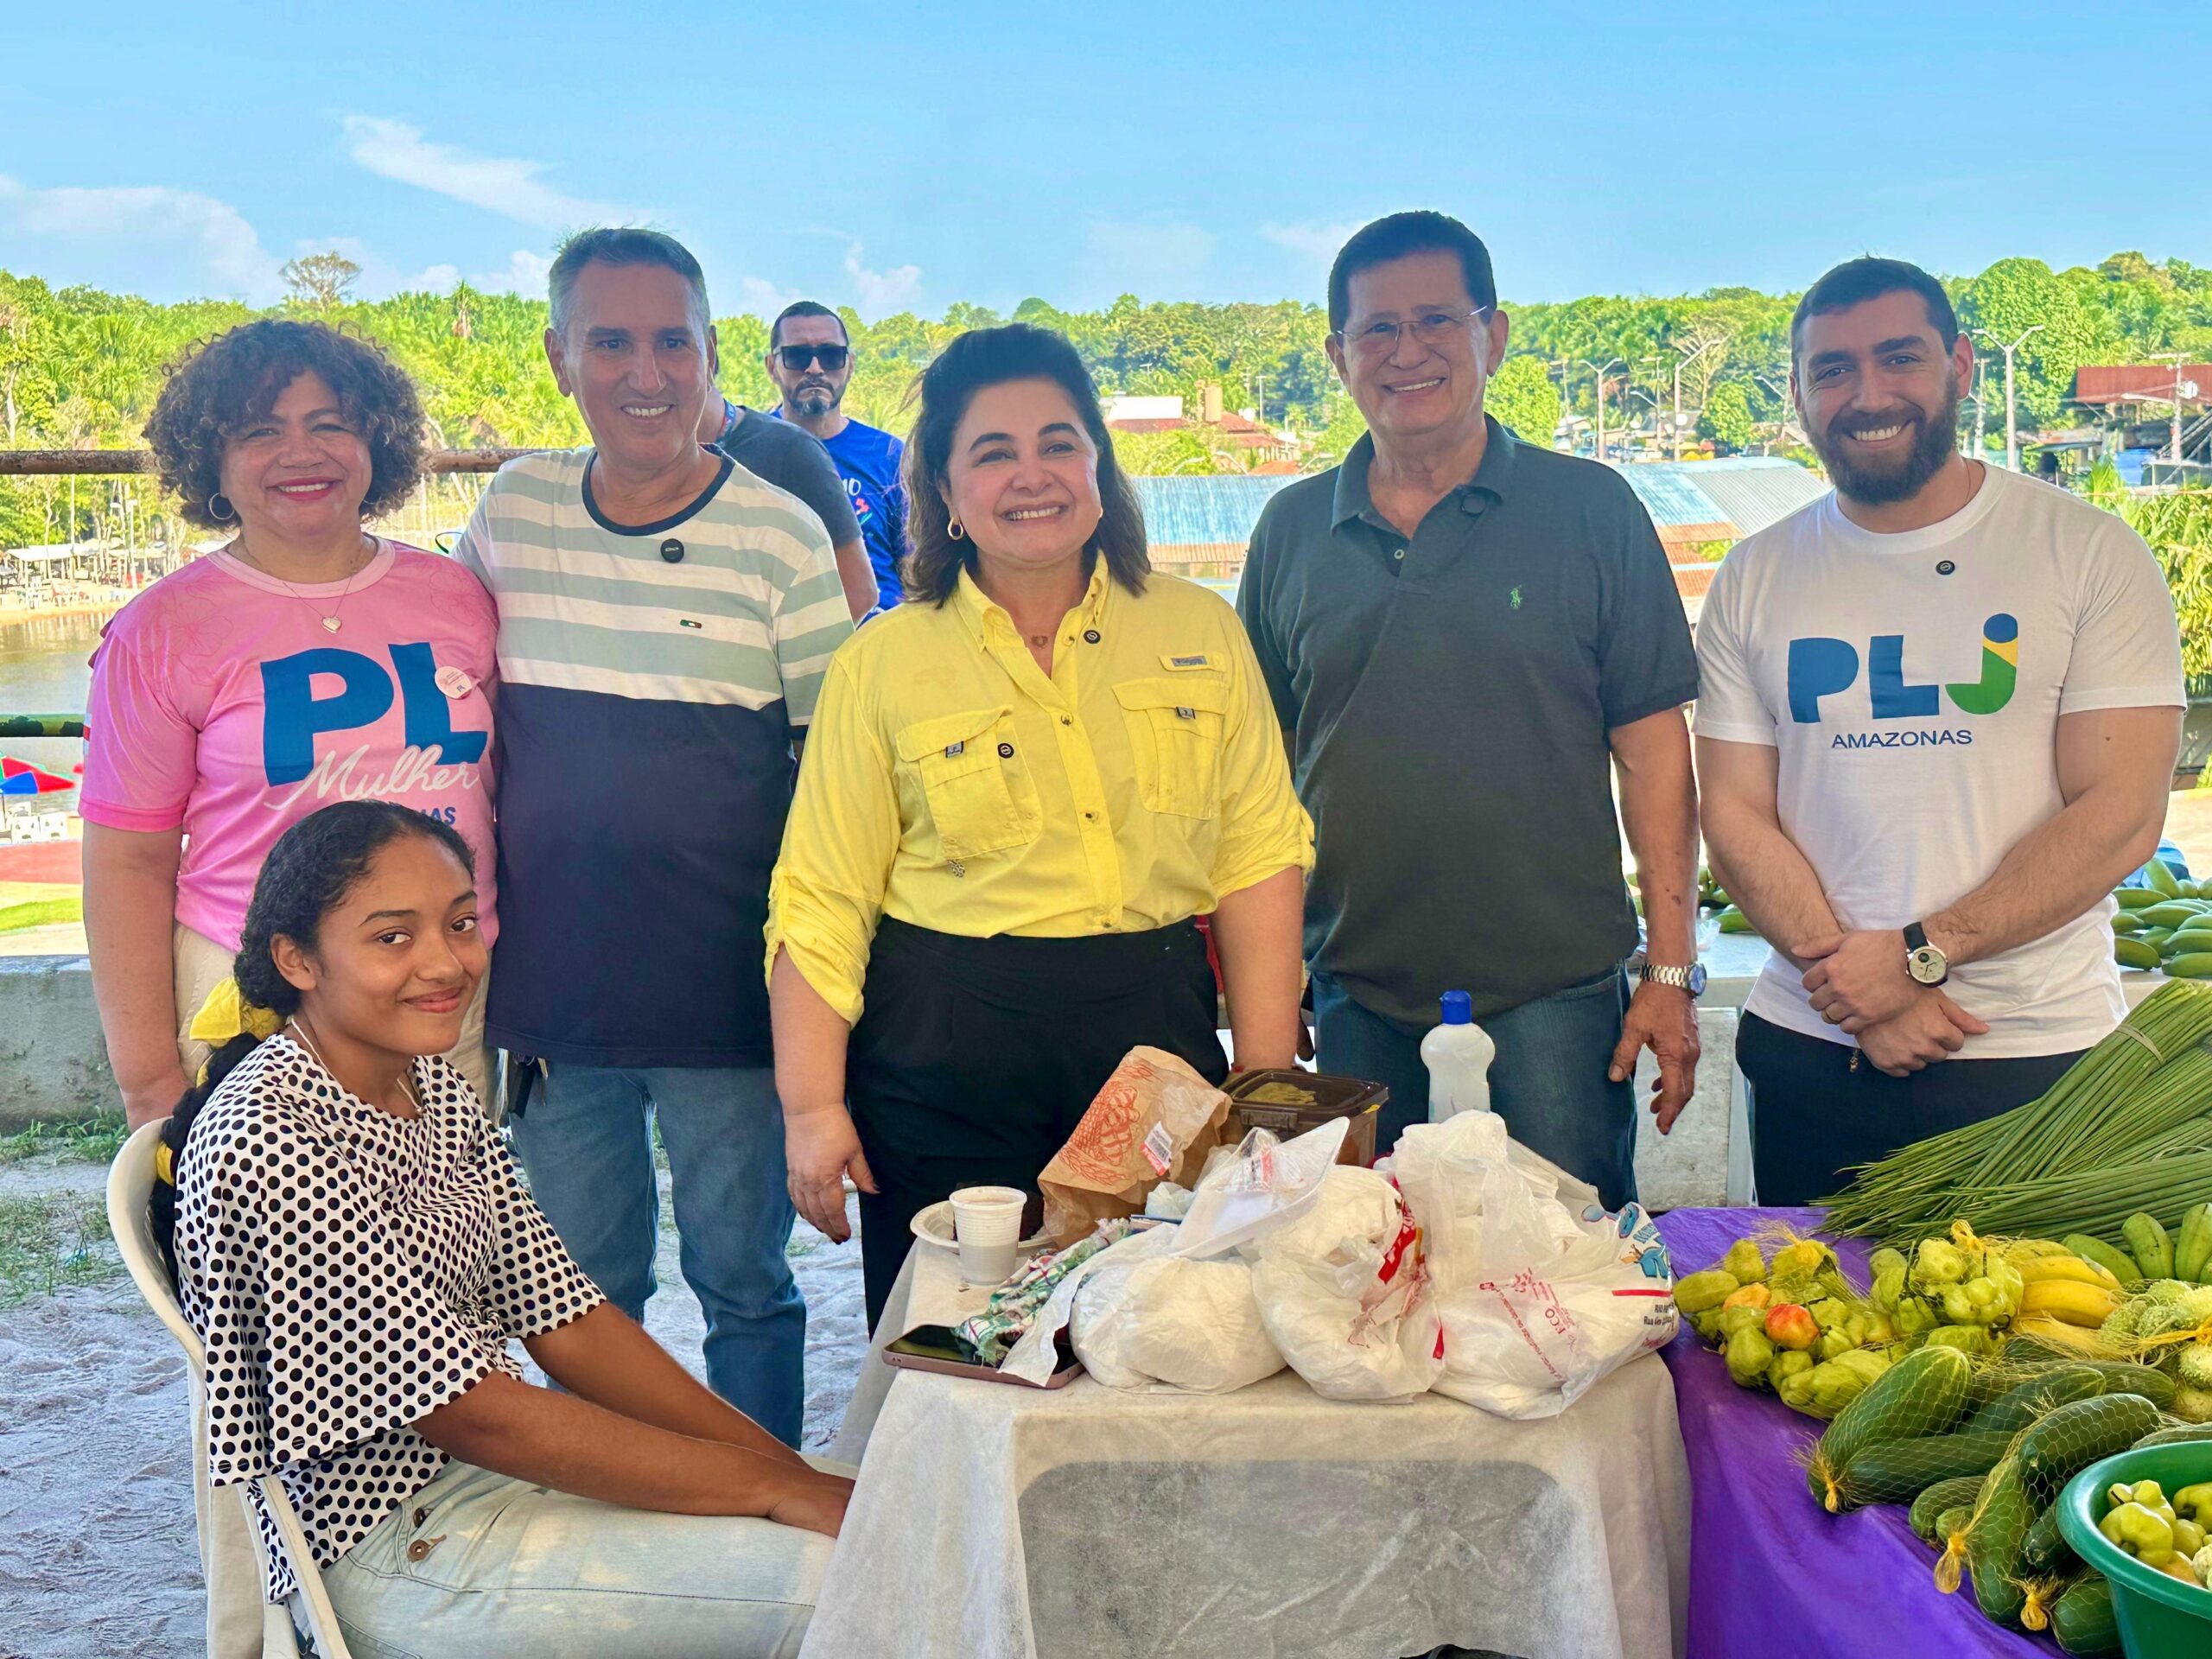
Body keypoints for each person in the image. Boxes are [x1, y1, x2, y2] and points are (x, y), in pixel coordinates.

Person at [168, 800, 851, 1656]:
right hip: (398, 1548)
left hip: (493, 1484)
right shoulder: (272, 1137)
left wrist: (783, 1472)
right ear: (296, 959)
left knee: (883, 1512)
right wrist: (766, 1489)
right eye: (392, 937)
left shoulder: (426, 1081)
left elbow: (567, 1316)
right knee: (861, 1579)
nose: (444, 963)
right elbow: (472, 1415)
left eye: (460, 923)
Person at [766, 324, 1312, 1326]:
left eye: (1059, 443)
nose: (1032, 475)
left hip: (1155, 1050)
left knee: (1160, 1338)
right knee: (958, 1347)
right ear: (944, 493)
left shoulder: (1199, 629)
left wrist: (1264, 1088)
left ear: (1099, 468)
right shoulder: (881, 663)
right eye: (993, 452)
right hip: (942, 1060)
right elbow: (821, 898)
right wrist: (812, 1108)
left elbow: (1257, 857)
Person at [456, 228, 853, 1445]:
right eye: (611, 342)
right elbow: (428, 667)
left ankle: (767, 1505)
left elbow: (837, 773)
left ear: (712, 353)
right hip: (554, 1004)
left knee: (746, 1284)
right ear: (558, 356)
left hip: (731, 1000)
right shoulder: (514, 509)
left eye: (672, 341)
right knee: (581, 1303)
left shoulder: (781, 535)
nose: (646, 373)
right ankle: (614, 1519)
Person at [1695, 256, 2183, 1205]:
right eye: (1832, 369)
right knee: (1794, 1299)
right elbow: (1736, 814)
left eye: (1899, 358)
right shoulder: (1754, 575)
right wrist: (1858, 993)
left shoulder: (2087, 552)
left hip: (2033, 1056)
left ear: (1958, 365)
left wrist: (1920, 954)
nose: (1867, 394)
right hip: (1813, 1048)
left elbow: (2122, 810)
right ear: (1797, 393)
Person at [1237, 211, 1701, 1208]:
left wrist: (1669, 973)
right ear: (1338, 356)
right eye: (1377, 329)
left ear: (1493, 336)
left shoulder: (1591, 509)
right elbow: (1260, 775)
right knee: (1363, 1267)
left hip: (1553, 1000)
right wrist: (1274, 983)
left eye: (1437, 321)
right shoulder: (1289, 531)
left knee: (1566, 1272)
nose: (1408, 352)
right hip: (1357, 994)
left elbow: (1654, 753)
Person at [82, 318, 499, 1127]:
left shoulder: (457, 597)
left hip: (442, 983)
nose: (301, 453)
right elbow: (127, 862)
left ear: (377, 441)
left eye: (330, 424)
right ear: (211, 459)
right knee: (276, 1210)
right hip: (255, 996)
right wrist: (149, 1083)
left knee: (445, 1200)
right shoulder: (160, 631)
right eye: (260, 432)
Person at [766, 301, 912, 607]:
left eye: (831, 355)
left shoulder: (888, 455)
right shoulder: (746, 450)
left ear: (850, 364)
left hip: (878, 628)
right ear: (771, 367)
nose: (815, 368)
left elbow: (917, 566)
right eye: (797, 356)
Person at [698, 375, 878, 620]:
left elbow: (857, 592)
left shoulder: (789, 450)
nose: (650, 380)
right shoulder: (647, 460)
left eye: (671, 351)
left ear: (709, 360)